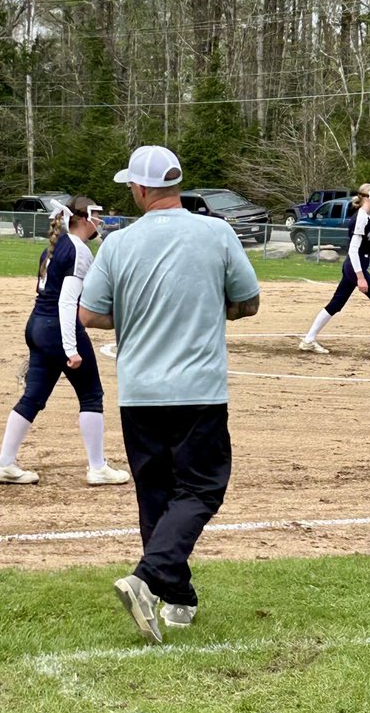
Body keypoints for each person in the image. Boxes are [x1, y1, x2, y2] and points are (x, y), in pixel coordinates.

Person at [78, 146, 260, 644]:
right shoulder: (217, 231)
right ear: (176, 186)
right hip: (198, 388)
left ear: (139, 190)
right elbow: (248, 302)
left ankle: (176, 597)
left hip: (139, 391)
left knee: (155, 490)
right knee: (202, 488)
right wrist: (204, 308)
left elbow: (90, 315)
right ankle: (146, 578)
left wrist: (139, 315)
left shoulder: (117, 243)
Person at [0, 195, 130, 488]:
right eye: (97, 215)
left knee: (34, 397)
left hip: (38, 325)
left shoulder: (54, 247)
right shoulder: (77, 250)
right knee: (91, 394)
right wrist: (70, 348)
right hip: (57, 329)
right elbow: (67, 303)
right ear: (84, 218)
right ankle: (97, 467)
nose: (101, 221)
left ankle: (4, 463)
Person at [299, 184, 370, 360]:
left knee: (336, 304)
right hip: (354, 267)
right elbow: (352, 250)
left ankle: (308, 340)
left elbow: (365, 245)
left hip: (355, 265)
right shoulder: (361, 218)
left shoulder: (369, 215)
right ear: (365, 197)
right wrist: (360, 277)